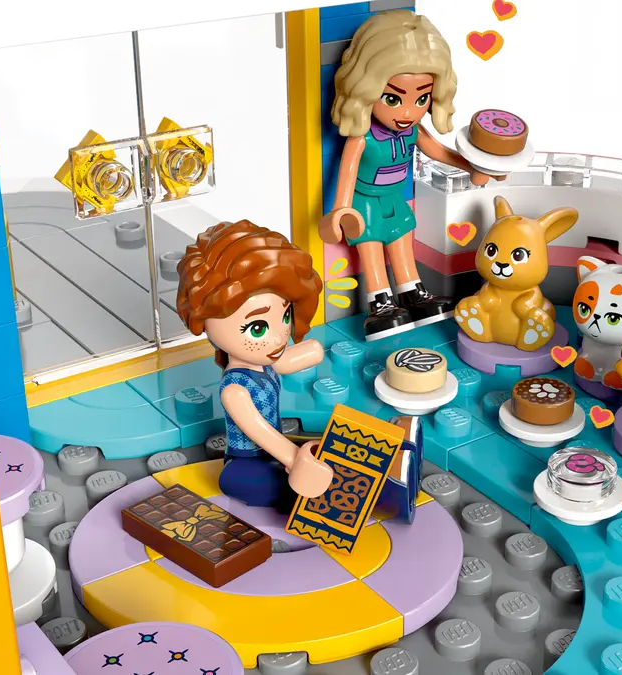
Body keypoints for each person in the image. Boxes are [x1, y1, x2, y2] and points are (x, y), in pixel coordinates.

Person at [322, 10, 504, 341]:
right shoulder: (362, 138)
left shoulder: (413, 131)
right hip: (365, 201)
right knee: (371, 245)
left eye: (421, 98)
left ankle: (412, 293)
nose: (408, 112)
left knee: (401, 239)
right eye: (393, 98)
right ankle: (380, 303)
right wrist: (341, 210)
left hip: (394, 197)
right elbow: (346, 173)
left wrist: (475, 167)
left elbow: (441, 152)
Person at [176, 220, 333, 511]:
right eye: (257, 328)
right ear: (206, 325)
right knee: (292, 493)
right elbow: (258, 430)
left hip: (276, 452)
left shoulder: (266, 361)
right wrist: (295, 460)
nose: (279, 336)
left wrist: (312, 350)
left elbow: (289, 359)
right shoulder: (234, 389)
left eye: (285, 317)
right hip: (245, 463)